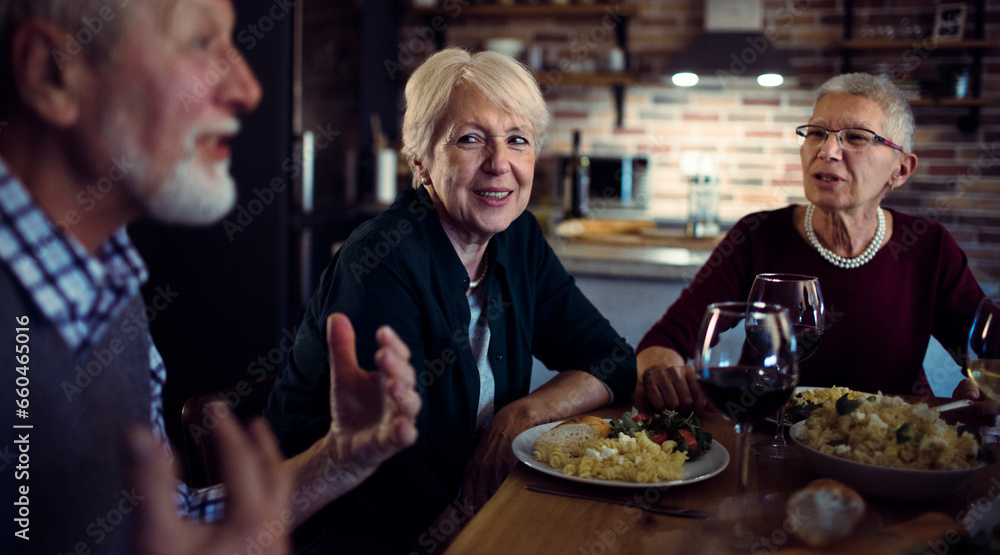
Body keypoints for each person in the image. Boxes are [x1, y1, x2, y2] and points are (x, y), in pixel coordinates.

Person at [0, 0, 420, 553]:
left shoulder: (109, 284)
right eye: (200, 40)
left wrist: (341, 457)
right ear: (53, 72)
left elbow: (174, 520)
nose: (247, 88)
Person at [265, 47, 637, 553]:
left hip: (468, 505)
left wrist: (521, 417)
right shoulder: (383, 259)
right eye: (470, 140)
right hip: (347, 530)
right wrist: (478, 541)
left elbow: (612, 359)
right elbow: (389, 477)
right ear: (420, 159)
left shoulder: (518, 237)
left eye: (517, 140)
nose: (499, 163)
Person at [636, 72, 990, 412]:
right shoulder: (757, 234)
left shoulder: (929, 246)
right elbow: (665, 341)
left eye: (855, 137)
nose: (828, 150)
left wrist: (982, 386)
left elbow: (990, 350)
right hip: (769, 434)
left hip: (890, 448)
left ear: (900, 169)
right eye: (816, 133)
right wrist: (663, 376)